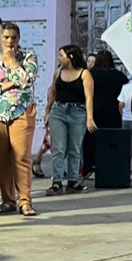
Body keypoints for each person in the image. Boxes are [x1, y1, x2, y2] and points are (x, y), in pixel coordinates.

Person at [0, 22, 39, 216]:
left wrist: (11, 62)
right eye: (6, 37)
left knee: (21, 156)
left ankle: (25, 201)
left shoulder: (28, 56)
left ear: (19, 39)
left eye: (14, 37)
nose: (10, 41)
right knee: (2, 159)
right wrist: (11, 83)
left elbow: (28, 80)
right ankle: (7, 200)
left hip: (21, 111)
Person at [43, 44, 97, 196]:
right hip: (58, 111)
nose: (59, 58)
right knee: (58, 148)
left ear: (71, 57)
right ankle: (57, 182)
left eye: (61, 55)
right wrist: (47, 110)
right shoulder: (58, 72)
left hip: (77, 112)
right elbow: (53, 92)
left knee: (74, 148)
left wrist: (90, 117)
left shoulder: (84, 74)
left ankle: (73, 180)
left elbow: (89, 97)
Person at [81, 49, 129, 179]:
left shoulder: (91, 75)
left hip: (95, 111)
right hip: (113, 112)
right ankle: (110, 166)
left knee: (91, 140)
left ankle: (89, 167)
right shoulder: (119, 76)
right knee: (112, 140)